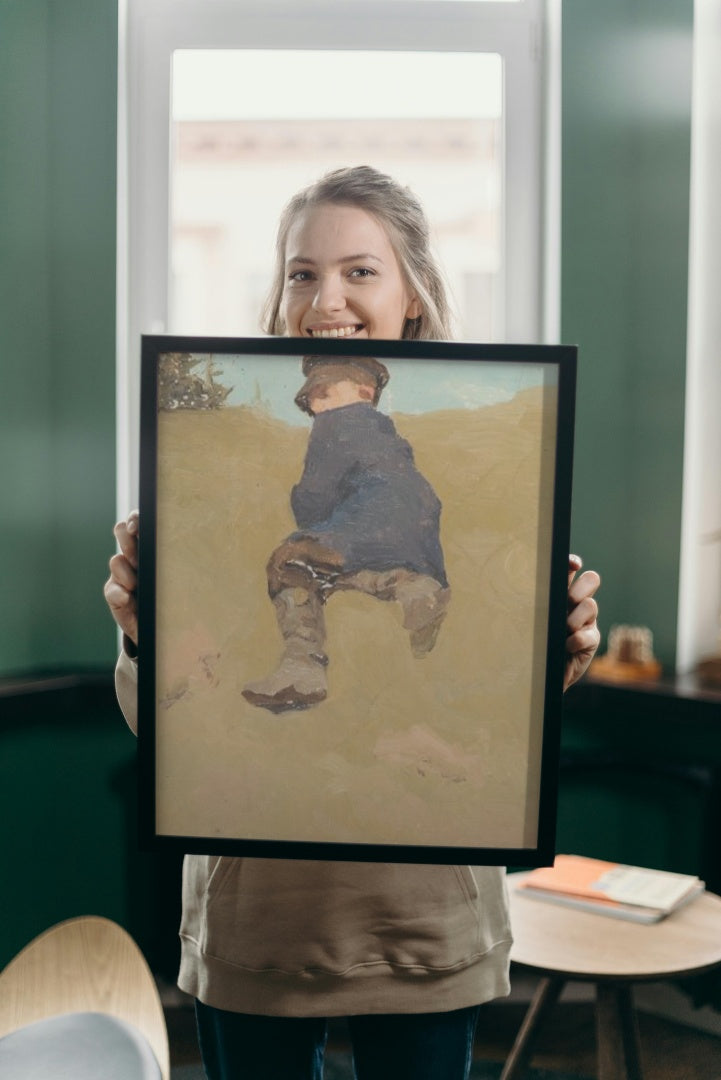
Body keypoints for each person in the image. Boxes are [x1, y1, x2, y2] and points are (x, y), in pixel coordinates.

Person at [105, 166, 601, 1080]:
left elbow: (495, 717)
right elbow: (171, 727)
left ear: (412, 293)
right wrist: (145, 632)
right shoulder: (200, 465)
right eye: (301, 273)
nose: (324, 297)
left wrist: (551, 653)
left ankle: (327, 647)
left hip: (422, 919)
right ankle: (399, 595)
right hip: (259, 919)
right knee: (326, 563)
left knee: (294, 560)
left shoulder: (441, 441)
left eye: (359, 271)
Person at [242, 353, 451, 712]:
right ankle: (417, 588)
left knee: (289, 562)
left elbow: (315, 497)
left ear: (364, 391)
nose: (314, 403)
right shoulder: (386, 432)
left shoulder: (333, 427)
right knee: (355, 567)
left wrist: (307, 527)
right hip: (416, 529)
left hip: (366, 521)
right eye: (311, 398)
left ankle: (302, 668)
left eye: (323, 391)